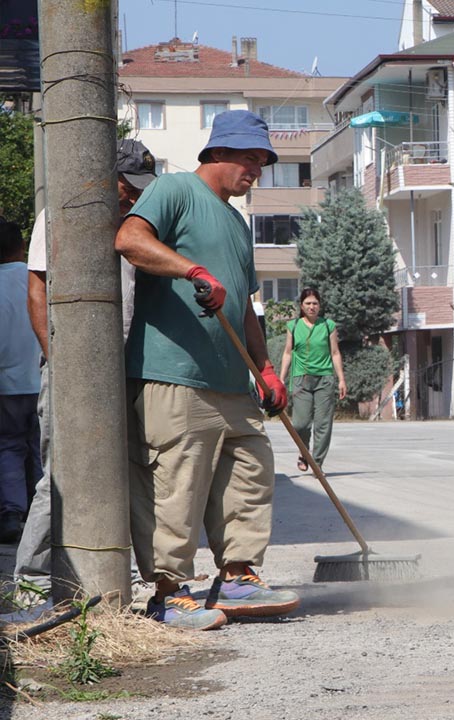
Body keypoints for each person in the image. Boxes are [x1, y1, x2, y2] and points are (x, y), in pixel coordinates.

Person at [115, 110, 296, 630]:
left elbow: (242, 307)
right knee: (177, 486)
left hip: (230, 379)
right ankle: (169, 596)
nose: (257, 170)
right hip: (172, 374)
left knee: (251, 472)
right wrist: (191, 269)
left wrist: (265, 369)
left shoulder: (237, 223)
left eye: (262, 161)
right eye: (250, 158)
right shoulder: (174, 190)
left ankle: (237, 578)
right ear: (218, 153)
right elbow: (129, 240)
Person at [16, 139, 157, 595]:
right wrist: (61, 364)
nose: (134, 195)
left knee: (121, 472)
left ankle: (119, 575)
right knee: (61, 475)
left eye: (141, 188)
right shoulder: (59, 216)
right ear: (106, 175)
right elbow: (37, 291)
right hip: (69, 371)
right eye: (128, 185)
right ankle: (33, 582)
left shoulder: (136, 225)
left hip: (122, 369)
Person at [0, 219, 42, 544]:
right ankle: (44, 515)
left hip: (7, 385)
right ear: (22, 246)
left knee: (10, 448)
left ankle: (13, 513)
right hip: (40, 379)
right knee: (40, 449)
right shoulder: (37, 279)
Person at [279, 287, 347, 472]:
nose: (311, 307)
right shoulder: (293, 326)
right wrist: (281, 379)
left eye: (315, 303)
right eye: (308, 303)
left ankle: (317, 463)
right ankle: (304, 452)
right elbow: (287, 353)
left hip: (324, 379)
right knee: (300, 424)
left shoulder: (328, 325)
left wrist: (341, 379)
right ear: (301, 306)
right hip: (301, 379)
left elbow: (335, 353)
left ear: (319, 306)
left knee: (323, 424)